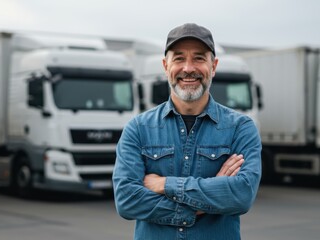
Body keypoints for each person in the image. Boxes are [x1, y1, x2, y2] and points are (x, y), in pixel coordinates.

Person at [112, 23, 262, 240]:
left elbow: (241, 196)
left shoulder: (241, 128)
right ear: (166, 66)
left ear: (214, 66)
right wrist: (208, 199)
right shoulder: (138, 128)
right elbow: (127, 201)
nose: (188, 68)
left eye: (199, 58)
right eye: (179, 58)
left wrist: (164, 184)